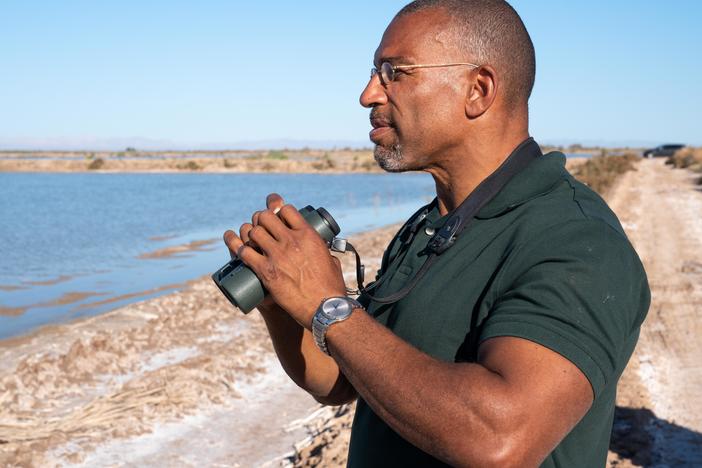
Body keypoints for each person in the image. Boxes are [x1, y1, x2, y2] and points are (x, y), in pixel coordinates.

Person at [222, 0, 650, 466]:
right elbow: (342, 378)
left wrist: (329, 306)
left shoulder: (578, 243)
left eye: (395, 72)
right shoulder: (430, 226)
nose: (368, 95)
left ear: (478, 90)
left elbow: (501, 440)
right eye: (373, 72)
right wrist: (283, 298)